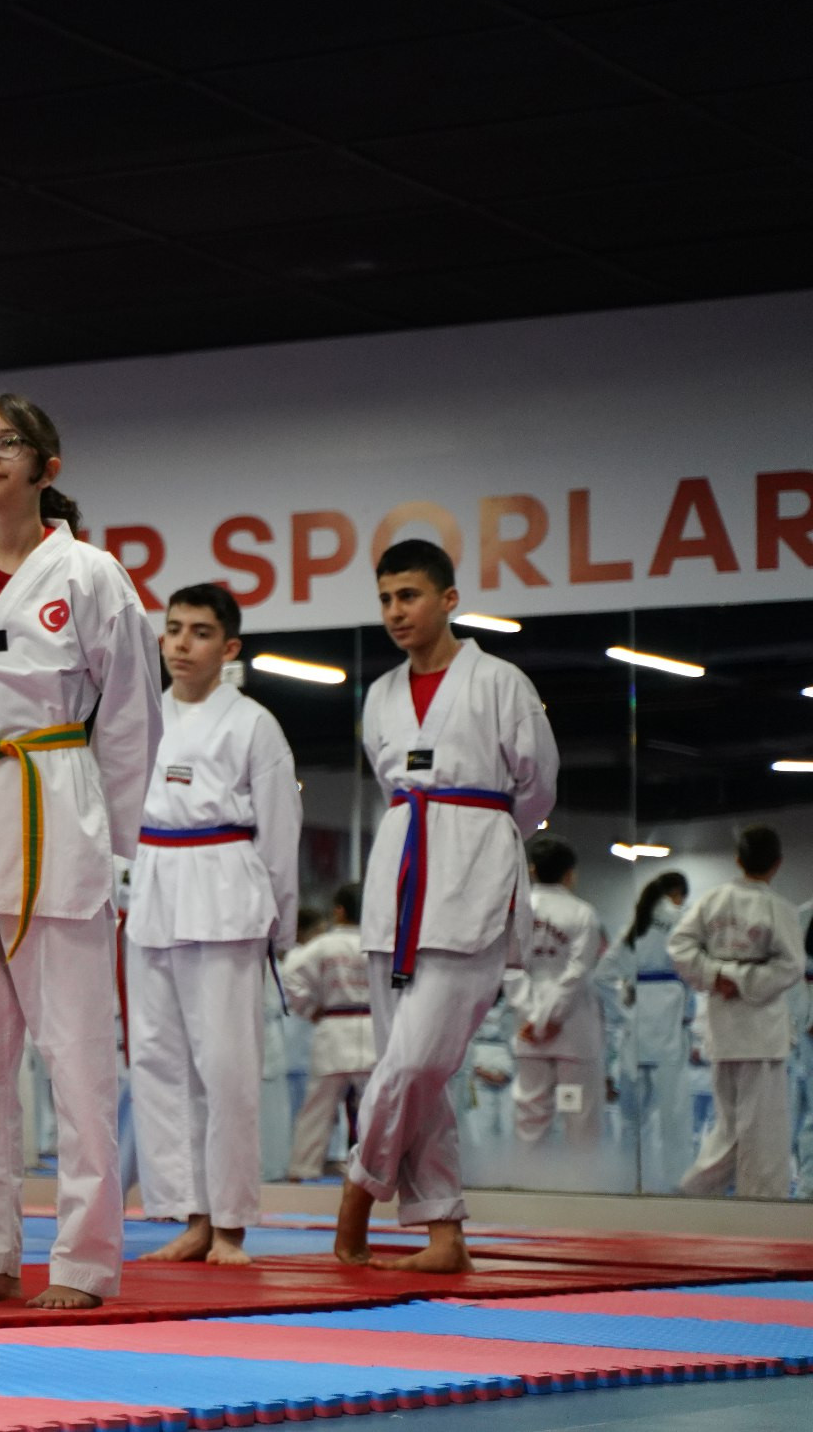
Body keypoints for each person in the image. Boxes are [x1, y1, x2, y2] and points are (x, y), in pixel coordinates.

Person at [0, 394, 160, 1310]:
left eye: (5, 443)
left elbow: (129, 717)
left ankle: (85, 1258)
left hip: (56, 808)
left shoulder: (92, 575)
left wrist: (120, 844)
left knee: (78, 1055)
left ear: (46, 466)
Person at [333, 540, 557, 1273]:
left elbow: (538, 787)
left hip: (473, 879)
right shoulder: (380, 695)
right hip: (398, 877)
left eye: (410, 595)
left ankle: (356, 1195)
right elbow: (388, 782)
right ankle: (443, 1232)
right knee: (413, 1073)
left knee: (416, 1062)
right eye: (386, 599)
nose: (396, 611)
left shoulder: (501, 682)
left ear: (449, 599)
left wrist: (482, 839)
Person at [125, 583, 299, 1267]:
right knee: (159, 1061)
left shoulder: (254, 723)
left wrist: (279, 924)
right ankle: (191, 1215)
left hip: (227, 888)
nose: (181, 644)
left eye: (199, 632)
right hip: (153, 885)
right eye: (173, 629)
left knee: (226, 1066)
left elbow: (280, 833)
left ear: (229, 648)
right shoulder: (140, 716)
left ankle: (231, 1223)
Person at [672, 826, 805, 1199]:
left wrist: (717, 974)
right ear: (777, 864)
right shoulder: (778, 908)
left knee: (730, 1127)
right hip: (761, 1033)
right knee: (762, 1135)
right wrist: (739, 978)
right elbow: (792, 966)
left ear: (737, 859)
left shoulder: (711, 901)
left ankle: (692, 1194)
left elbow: (680, 948)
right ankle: (754, 1211)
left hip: (723, 1027)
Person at [509, 836, 605, 1148]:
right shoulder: (582, 913)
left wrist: (533, 1018)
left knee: (530, 1116)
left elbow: (509, 969)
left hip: (527, 1026)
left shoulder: (516, 912)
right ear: (570, 873)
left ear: (532, 870)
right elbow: (578, 972)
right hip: (573, 1024)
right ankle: (580, 1178)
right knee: (579, 1116)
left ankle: (528, 1177)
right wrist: (549, 1019)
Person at [279, 885, 374, 1181]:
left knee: (317, 1109)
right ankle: (379, 1171)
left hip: (334, 1026)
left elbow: (289, 973)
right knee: (377, 1109)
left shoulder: (324, 945)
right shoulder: (380, 944)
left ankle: (301, 1170)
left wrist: (308, 1008)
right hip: (374, 1027)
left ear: (339, 911)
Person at [613, 872, 695, 1190]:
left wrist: (626, 1000)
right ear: (677, 894)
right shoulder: (681, 920)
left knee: (633, 1120)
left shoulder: (634, 925)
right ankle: (676, 1184)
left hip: (636, 1027)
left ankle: (628, 1181)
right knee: (674, 1117)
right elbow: (692, 972)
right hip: (670, 1027)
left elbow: (608, 974)